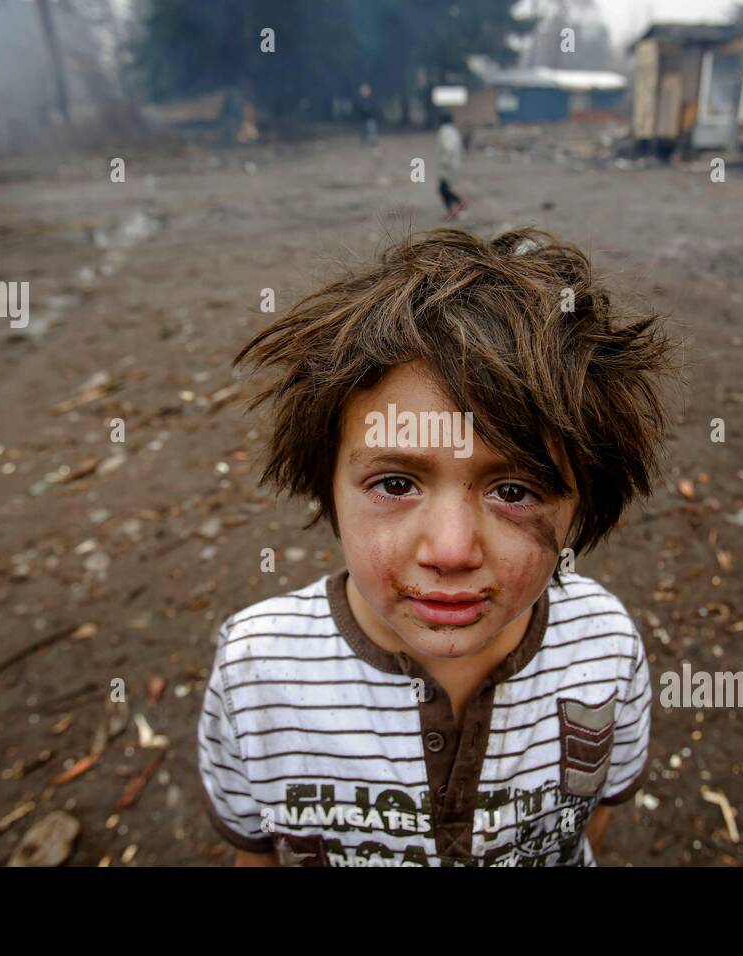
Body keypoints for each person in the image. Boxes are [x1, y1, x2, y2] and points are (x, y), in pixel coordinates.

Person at [198, 227, 677, 867]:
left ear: (581, 504)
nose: (451, 551)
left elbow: (590, 825)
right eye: (395, 483)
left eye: (515, 490)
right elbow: (254, 854)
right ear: (326, 485)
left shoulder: (605, 650)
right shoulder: (256, 671)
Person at [436, 112, 467, 219]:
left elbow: (448, 147)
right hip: (454, 164)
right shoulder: (453, 131)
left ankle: (457, 204)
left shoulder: (445, 131)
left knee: (442, 189)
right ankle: (454, 210)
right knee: (445, 188)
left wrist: (445, 161)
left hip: (447, 165)